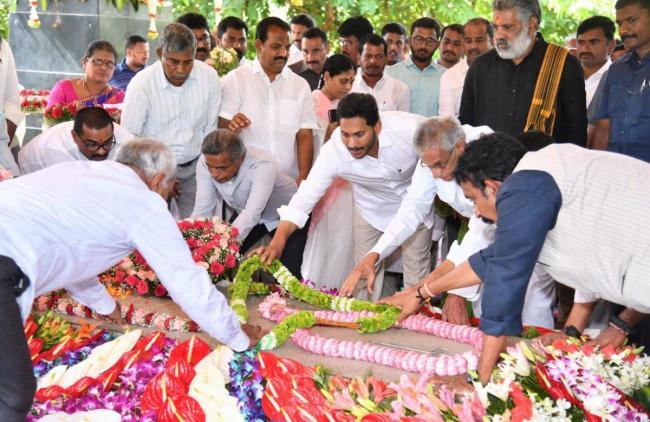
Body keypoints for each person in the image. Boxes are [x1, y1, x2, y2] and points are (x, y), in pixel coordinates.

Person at [0, 138, 264, 422]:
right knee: (12, 395)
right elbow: (186, 283)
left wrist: (104, 305)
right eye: (168, 190)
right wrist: (236, 336)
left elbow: (75, 250)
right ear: (159, 179)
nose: (166, 197)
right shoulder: (143, 201)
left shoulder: (81, 172)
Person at [383, 133, 650, 384]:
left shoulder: (528, 182)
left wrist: (481, 381)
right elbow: (491, 260)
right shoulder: (544, 181)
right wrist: (421, 293)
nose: (475, 213)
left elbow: (505, 280)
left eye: (473, 199)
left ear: (493, 187)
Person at [253, 93, 434, 301]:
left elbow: (449, 138)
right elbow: (304, 197)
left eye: (359, 134)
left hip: (415, 207)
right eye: (345, 134)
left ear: (377, 127)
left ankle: (416, 327)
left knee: (416, 279)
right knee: (363, 276)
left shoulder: (410, 130)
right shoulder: (334, 152)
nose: (351, 143)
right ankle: (364, 324)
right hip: (370, 210)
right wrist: (278, 241)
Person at [121, 23, 221, 218]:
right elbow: (130, 140)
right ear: (160, 54)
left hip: (195, 171)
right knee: (154, 230)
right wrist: (160, 174)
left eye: (188, 62)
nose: (181, 70)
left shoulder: (209, 77)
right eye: (173, 62)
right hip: (152, 172)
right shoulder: (142, 84)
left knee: (196, 232)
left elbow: (210, 131)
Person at [459, 0, 587, 146]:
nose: (499, 35)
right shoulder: (480, 66)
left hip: (543, 165)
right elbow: (465, 126)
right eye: (496, 27)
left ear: (531, 23)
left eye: (508, 27)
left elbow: (576, 134)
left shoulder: (564, 64)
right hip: (487, 166)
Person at [192, 129, 307, 276]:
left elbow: (252, 214)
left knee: (290, 275)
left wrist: (220, 246)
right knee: (221, 268)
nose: (214, 173)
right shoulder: (205, 161)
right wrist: (192, 242)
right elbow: (203, 207)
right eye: (210, 167)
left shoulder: (262, 165)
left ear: (240, 158)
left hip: (286, 218)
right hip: (245, 214)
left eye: (222, 168)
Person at [219, 17, 317, 184]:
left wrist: (304, 178)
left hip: (289, 183)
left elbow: (305, 135)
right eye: (276, 47)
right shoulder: (236, 79)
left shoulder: (300, 86)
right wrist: (231, 124)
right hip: (247, 181)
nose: (283, 54)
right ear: (259, 45)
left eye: (287, 48)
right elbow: (221, 128)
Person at [302, 54, 356, 289]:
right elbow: (311, 145)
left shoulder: (346, 104)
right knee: (325, 235)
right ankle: (317, 285)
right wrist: (330, 134)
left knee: (343, 238)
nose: (348, 86)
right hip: (322, 176)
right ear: (326, 77)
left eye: (352, 81)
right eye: (343, 81)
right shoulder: (313, 102)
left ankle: (338, 287)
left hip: (345, 180)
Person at [589, 0, 650, 162]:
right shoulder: (616, 69)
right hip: (616, 170)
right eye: (619, 23)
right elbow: (604, 124)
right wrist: (599, 166)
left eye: (632, 20)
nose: (623, 30)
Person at [18, 107, 133, 174]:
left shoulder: (126, 140)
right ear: (74, 137)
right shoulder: (56, 150)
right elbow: (75, 193)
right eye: (92, 144)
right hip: (33, 172)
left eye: (107, 143)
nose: (101, 151)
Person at [386, 17, 446, 117]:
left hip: (434, 132)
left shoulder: (445, 77)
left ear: (437, 45)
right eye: (418, 39)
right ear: (409, 41)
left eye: (430, 40)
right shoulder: (391, 74)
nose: (423, 45)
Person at [439, 18, 493, 117]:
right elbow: (447, 121)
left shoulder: (503, 70)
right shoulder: (449, 77)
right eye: (468, 41)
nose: (473, 46)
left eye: (479, 40)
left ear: (493, 41)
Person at [47, 40, 125, 110]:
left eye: (110, 63)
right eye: (97, 61)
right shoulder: (63, 88)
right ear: (84, 63)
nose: (104, 67)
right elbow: (51, 117)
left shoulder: (118, 96)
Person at [351, 34, 410, 111]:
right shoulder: (347, 87)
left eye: (379, 56)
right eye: (368, 56)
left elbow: (404, 121)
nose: (373, 61)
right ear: (359, 58)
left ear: (386, 59)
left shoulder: (400, 89)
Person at [577, 15, 616, 107]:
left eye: (593, 42)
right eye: (581, 42)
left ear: (610, 45)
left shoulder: (618, 79)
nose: (584, 49)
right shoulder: (566, 75)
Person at [0, 35, 22, 176]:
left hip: (1, 143)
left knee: (15, 187)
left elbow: (12, 99)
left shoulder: (3, 47)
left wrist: (4, 137)